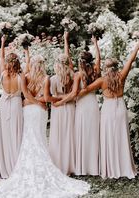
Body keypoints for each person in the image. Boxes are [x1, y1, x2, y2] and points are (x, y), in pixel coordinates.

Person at [0, 50, 90, 198]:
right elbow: (46, 98)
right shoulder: (46, 78)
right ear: (42, 65)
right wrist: (40, 103)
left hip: (27, 110)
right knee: (39, 138)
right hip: (39, 111)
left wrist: (30, 101)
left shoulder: (26, 76)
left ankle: (27, 167)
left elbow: (26, 95)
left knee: (28, 138)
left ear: (32, 65)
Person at [78, 41, 139, 179]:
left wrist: (71, 95)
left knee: (108, 136)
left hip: (108, 108)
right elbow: (130, 60)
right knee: (122, 136)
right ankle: (124, 167)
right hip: (120, 107)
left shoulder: (102, 80)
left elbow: (85, 90)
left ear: (106, 68)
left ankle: (111, 168)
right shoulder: (122, 75)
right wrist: (137, 47)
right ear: (116, 66)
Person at [0, 36, 42, 179]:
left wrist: (2, 43)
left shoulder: (3, 73)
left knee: (5, 133)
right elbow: (26, 93)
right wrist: (38, 102)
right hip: (15, 104)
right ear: (17, 63)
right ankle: (16, 164)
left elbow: (1, 58)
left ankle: (5, 165)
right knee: (17, 132)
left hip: (3, 104)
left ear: (8, 63)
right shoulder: (21, 76)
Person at [55, 36, 101, 176]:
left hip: (81, 106)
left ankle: (83, 166)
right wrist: (95, 44)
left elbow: (75, 93)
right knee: (94, 133)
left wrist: (60, 102)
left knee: (81, 134)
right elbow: (99, 59)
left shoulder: (77, 75)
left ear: (79, 62)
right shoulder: (95, 71)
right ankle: (94, 166)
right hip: (93, 104)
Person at [45, 31, 76, 175]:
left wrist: (57, 100)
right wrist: (66, 40)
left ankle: (57, 164)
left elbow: (51, 96)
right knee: (70, 135)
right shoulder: (73, 76)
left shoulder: (53, 79)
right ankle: (71, 164)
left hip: (58, 108)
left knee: (58, 135)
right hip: (70, 106)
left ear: (57, 64)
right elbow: (68, 60)